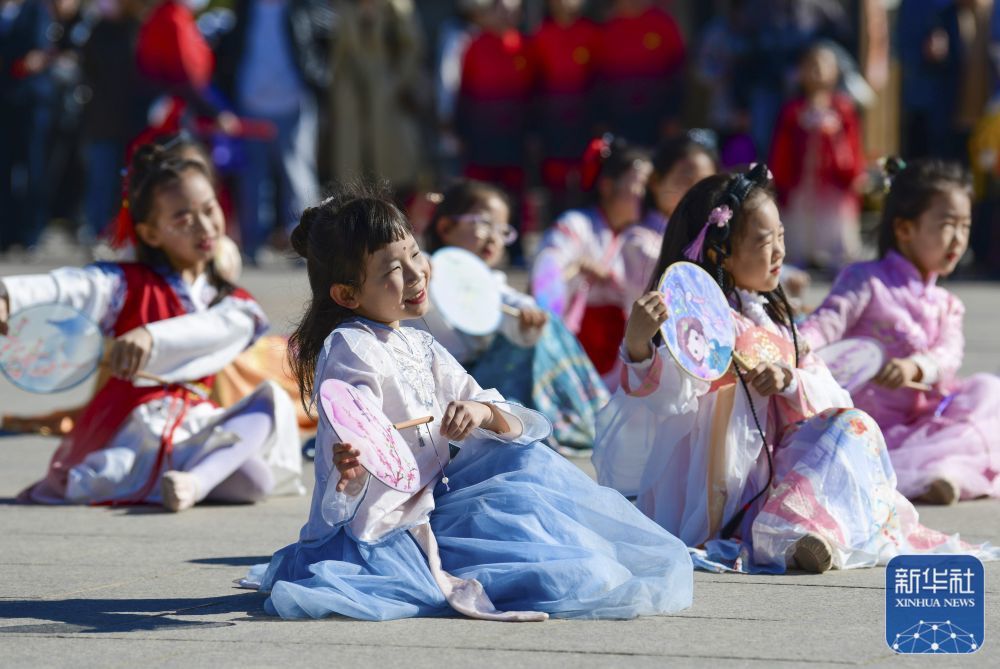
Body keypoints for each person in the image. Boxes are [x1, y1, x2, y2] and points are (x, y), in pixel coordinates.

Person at [240, 181, 693, 620]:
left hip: (439, 497)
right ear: (347, 293)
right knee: (542, 560)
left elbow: (504, 414)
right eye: (394, 269)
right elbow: (355, 418)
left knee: (524, 465)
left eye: (414, 253)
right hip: (389, 522)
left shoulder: (420, 343)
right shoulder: (350, 345)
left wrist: (479, 412)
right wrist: (353, 462)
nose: (417, 273)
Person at [593, 164, 995, 573]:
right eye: (764, 241)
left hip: (781, 459)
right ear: (719, 252)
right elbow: (669, 400)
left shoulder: (776, 320)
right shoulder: (705, 321)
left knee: (851, 426)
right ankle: (783, 532)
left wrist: (789, 381)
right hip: (730, 473)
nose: (780, 252)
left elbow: (832, 391)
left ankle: (797, 532)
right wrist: (639, 344)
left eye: (782, 236)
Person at [0, 144, 303, 509]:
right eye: (182, 218)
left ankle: (191, 482)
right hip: (136, 429)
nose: (204, 226)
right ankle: (182, 479)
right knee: (242, 470)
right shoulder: (122, 284)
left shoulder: (236, 306)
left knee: (262, 449)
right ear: (151, 233)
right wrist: (8, 298)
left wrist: (150, 336)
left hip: (195, 422)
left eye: (209, 210)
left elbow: (218, 328)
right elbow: (67, 286)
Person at [801, 159, 1000, 505]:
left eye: (965, 226)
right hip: (871, 424)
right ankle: (931, 476)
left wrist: (916, 367)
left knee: (988, 389)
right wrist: (789, 346)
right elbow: (824, 324)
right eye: (947, 225)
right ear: (904, 229)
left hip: (925, 420)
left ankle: (942, 473)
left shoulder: (947, 304)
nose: (958, 238)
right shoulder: (866, 280)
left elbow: (949, 354)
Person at [420, 179, 608, 452]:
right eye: (484, 224)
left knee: (546, 324)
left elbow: (513, 301)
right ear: (446, 227)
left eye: (502, 230)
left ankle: (582, 418)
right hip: (439, 382)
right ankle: (585, 418)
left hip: (478, 380)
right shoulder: (424, 269)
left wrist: (528, 314)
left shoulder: (490, 282)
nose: (494, 237)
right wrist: (419, 270)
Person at [532, 135, 651, 387]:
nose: (644, 194)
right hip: (572, 346)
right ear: (607, 186)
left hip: (618, 350)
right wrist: (576, 268)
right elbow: (544, 280)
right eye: (639, 185)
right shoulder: (575, 225)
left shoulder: (641, 238)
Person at [769, 42, 864, 270]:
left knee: (834, 215)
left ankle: (835, 255)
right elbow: (782, 145)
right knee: (800, 215)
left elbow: (853, 143)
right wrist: (779, 176)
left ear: (835, 72)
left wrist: (856, 172)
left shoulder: (842, 108)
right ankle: (803, 254)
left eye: (823, 66)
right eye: (811, 65)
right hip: (802, 178)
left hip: (833, 180)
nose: (817, 71)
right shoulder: (794, 109)